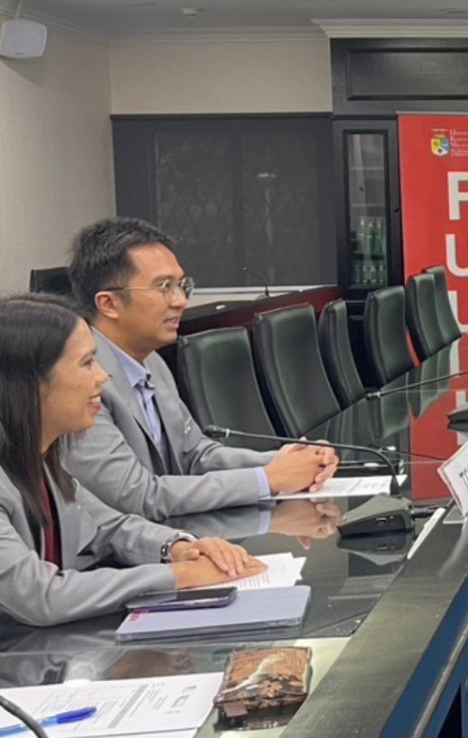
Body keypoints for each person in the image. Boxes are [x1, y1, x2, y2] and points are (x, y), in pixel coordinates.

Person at [0, 297, 265, 692]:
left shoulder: (38, 457)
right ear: (28, 381)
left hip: (25, 673)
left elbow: (109, 527)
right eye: (87, 363)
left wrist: (179, 548)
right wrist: (177, 577)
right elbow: (39, 595)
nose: (103, 378)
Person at [66, 218, 338, 520]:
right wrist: (268, 479)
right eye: (164, 287)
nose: (181, 301)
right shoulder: (78, 383)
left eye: (182, 286)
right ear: (109, 303)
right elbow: (137, 496)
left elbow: (195, 454)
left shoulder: (152, 361)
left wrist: (285, 460)